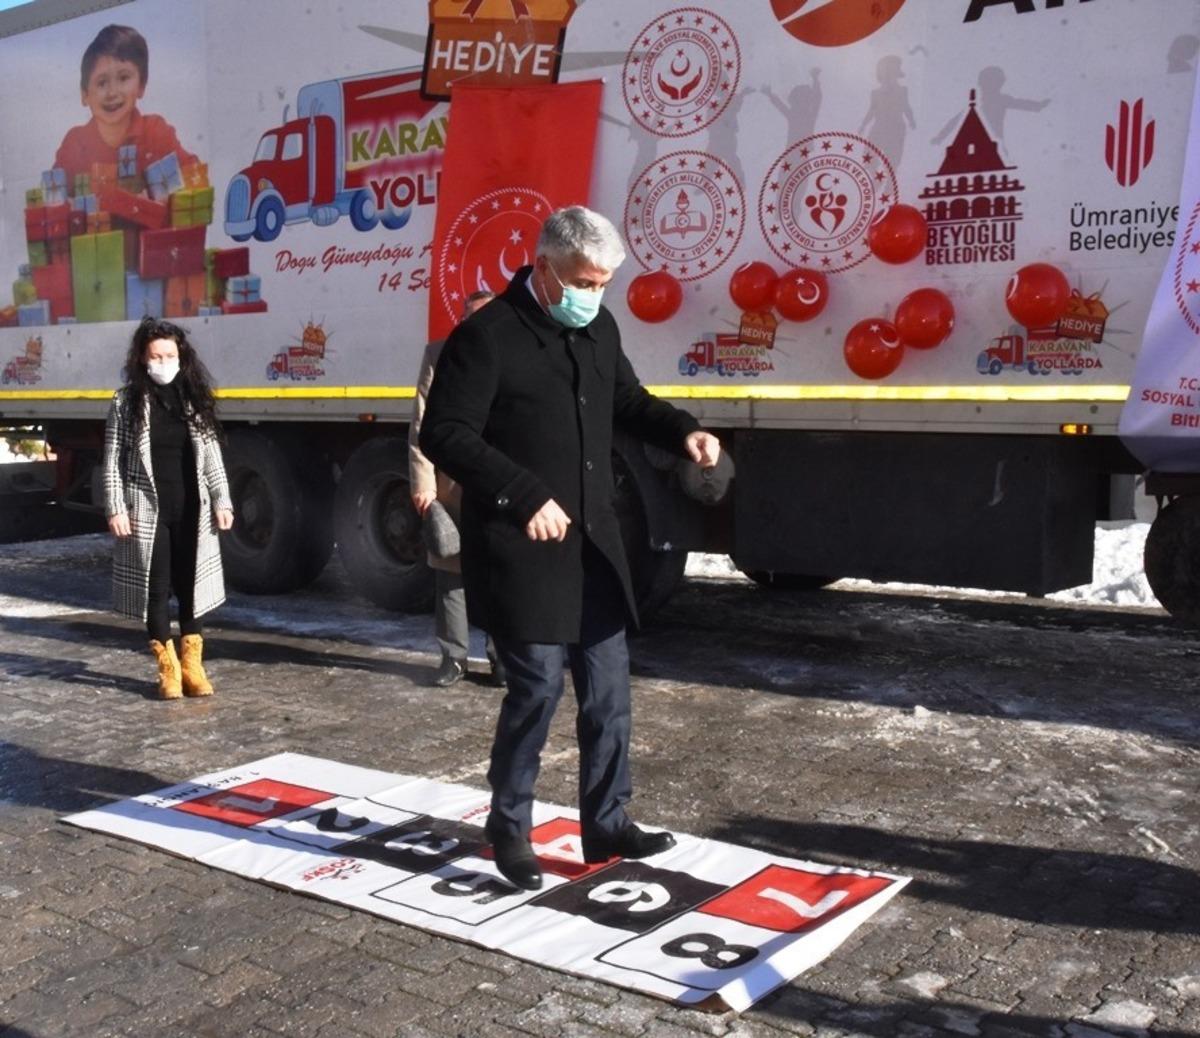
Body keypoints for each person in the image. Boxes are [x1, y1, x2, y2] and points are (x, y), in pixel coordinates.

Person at [420, 206, 721, 890]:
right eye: (587, 280)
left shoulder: (598, 327)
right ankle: (510, 827)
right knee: (535, 691)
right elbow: (446, 434)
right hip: (524, 549)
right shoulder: (488, 336)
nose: (597, 295)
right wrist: (521, 494)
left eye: (607, 282)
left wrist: (685, 432)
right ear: (546, 268)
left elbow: (631, 401)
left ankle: (608, 822)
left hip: (596, 549)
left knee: (609, 695)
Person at [102, 317, 233, 699]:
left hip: (193, 506)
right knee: (155, 590)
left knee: (192, 587)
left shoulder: (194, 396)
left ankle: (193, 667)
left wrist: (222, 498)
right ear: (142, 359)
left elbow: (211, 456)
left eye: (170, 355)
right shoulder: (126, 402)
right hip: (146, 509)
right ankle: (169, 671)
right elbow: (111, 459)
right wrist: (115, 506)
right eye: (156, 356)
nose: (163, 362)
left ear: (182, 355)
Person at [408, 289, 504, 688]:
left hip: (502, 484)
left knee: (503, 574)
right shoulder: (438, 353)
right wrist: (423, 484)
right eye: (470, 318)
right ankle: (454, 657)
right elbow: (420, 423)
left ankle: (504, 659)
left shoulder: (516, 353)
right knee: (449, 570)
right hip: (452, 483)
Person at [54, 24, 198, 185]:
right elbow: (52, 198)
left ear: (141, 86)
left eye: (123, 78)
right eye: (101, 83)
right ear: (85, 94)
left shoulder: (155, 132)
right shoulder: (75, 143)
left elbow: (193, 174)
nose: (112, 93)